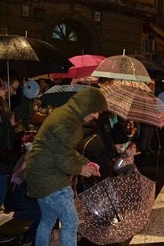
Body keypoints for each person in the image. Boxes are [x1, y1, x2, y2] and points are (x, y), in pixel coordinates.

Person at [25, 87, 107, 246]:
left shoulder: (66, 115)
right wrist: (82, 170)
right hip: (49, 179)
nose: (96, 116)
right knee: (71, 222)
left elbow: (64, 150)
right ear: (86, 106)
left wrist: (85, 162)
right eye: (95, 111)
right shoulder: (69, 122)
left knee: (47, 219)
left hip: (38, 174)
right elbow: (62, 159)